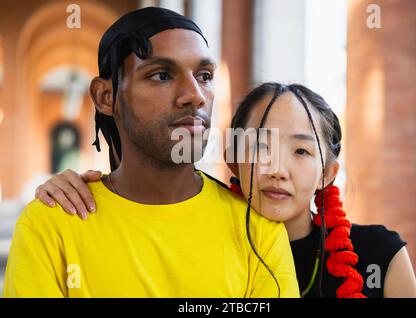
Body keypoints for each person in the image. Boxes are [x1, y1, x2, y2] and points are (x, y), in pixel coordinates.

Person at [3, 8, 299, 298]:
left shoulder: (257, 232)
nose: (195, 95)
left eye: (205, 75)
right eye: (161, 75)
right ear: (106, 97)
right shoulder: (50, 225)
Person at [35, 82, 416, 298]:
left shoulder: (380, 257)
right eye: (260, 147)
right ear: (234, 159)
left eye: (301, 150)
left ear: (327, 172)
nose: (276, 169)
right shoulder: (192, 245)